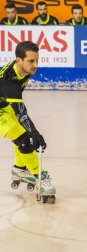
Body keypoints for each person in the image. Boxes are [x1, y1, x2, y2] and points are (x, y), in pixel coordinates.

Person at [0, 41, 56, 202]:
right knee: (26, 140)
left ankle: (19, 169)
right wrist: (34, 134)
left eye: (37, 60)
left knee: (25, 137)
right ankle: (41, 177)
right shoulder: (9, 81)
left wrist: (34, 132)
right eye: (31, 61)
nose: (35, 65)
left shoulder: (23, 70)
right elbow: (20, 112)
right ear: (18, 60)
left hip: (4, 106)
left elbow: (19, 109)